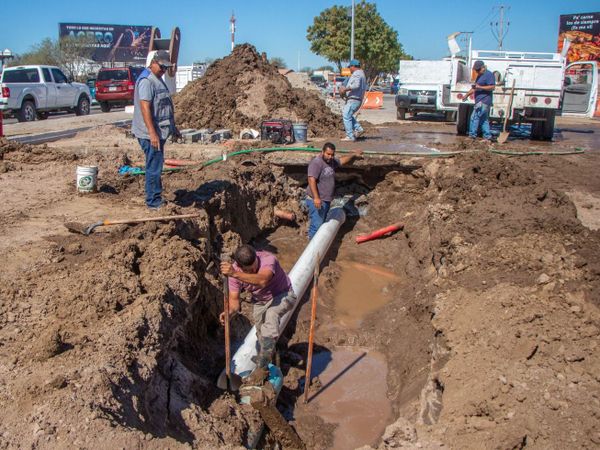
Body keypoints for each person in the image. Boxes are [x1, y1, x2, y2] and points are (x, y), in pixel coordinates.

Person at [220, 245, 296, 386]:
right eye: (248, 271)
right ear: (240, 266)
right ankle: (272, 360)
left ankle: (261, 369)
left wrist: (235, 274)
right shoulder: (234, 274)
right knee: (262, 336)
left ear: (256, 256)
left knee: (271, 316)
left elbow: (262, 280)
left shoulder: (267, 259)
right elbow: (235, 303)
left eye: (254, 267)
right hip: (260, 302)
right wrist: (229, 312)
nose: (253, 271)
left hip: (284, 295)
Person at [132, 50, 180, 209]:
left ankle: (155, 197)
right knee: (154, 167)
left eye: (166, 68)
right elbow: (145, 108)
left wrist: (174, 128)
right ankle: (153, 201)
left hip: (159, 132)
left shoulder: (157, 78)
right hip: (150, 134)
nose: (163, 70)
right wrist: (152, 133)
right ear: (153, 62)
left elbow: (164, 107)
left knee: (156, 165)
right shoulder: (147, 81)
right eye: (161, 67)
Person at [306, 142, 362, 239]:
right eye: (328, 154)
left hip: (326, 200)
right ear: (322, 152)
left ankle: (318, 245)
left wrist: (353, 155)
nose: (330, 157)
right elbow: (311, 179)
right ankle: (312, 247)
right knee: (316, 225)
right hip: (317, 200)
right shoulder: (317, 162)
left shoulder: (331, 161)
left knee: (322, 223)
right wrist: (316, 198)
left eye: (332, 154)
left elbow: (341, 161)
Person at [462, 60, 496, 142]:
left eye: (478, 70)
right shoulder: (479, 76)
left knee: (474, 117)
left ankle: (472, 135)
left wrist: (480, 87)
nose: (477, 72)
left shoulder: (488, 75)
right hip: (479, 101)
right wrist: (466, 95)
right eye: (476, 70)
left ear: (483, 68)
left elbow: (492, 87)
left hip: (484, 100)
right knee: (483, 119)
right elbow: (475, 88)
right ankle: (487, 137)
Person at [339, 59, 367, 142]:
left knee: (346, 115)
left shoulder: (357, 73)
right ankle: (358, 129)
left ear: (353, 66)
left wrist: (345, 89)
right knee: (348, 115)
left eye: (350, 67)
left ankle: (350, 136)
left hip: (354, 99)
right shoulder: (361, 73)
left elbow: (356, 85)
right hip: (356, 99)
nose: (349, 69)